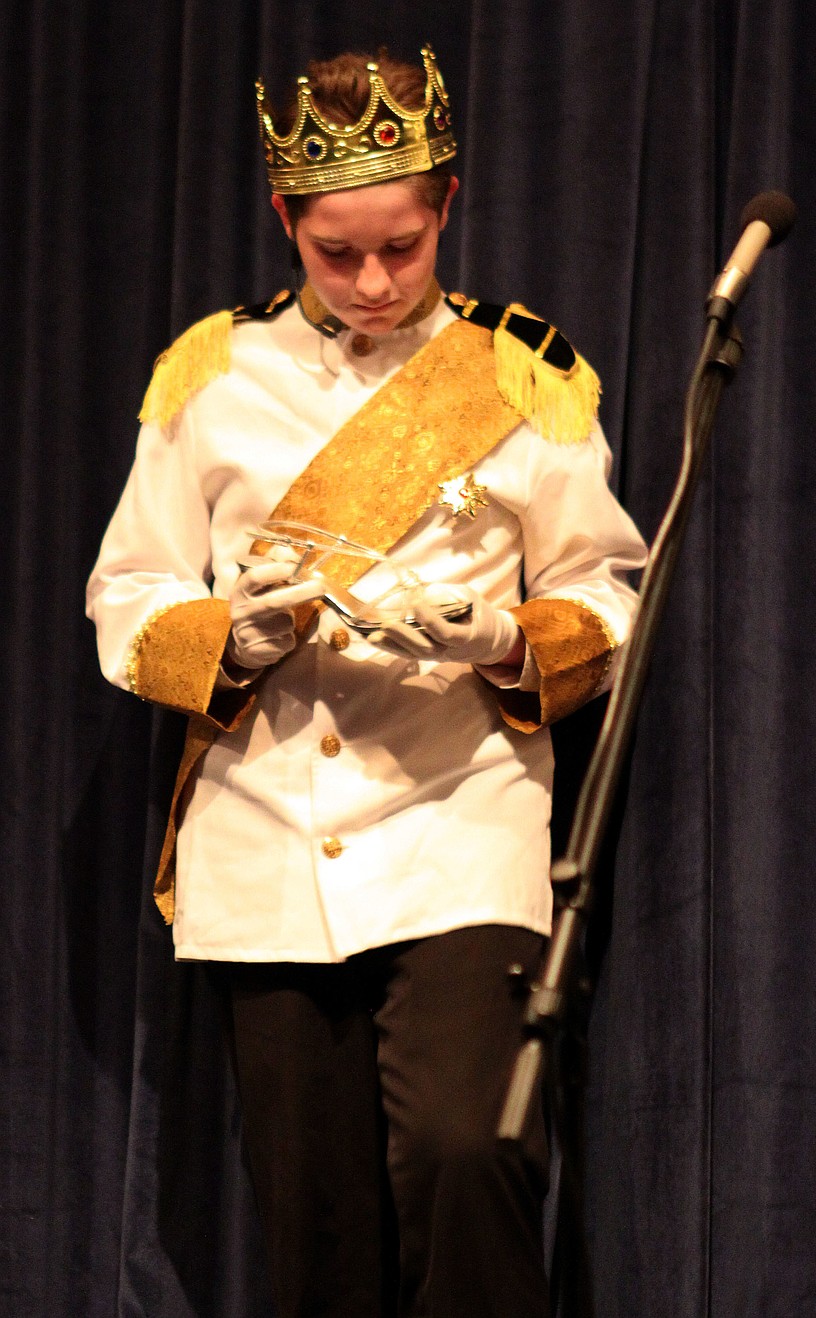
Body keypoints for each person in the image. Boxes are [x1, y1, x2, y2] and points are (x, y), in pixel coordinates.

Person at [87, 43, 646, 1318]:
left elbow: (608, 594)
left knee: (466, 1152)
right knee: (317, 1216)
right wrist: (232, 638)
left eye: (403, 244)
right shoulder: (210, 376)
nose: (376, 280)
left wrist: (496, 637)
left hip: (460, 816)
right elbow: (128, 590)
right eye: (337, 253)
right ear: (285, 220)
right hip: (266, 828)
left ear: (448, 206)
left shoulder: (520, 377)